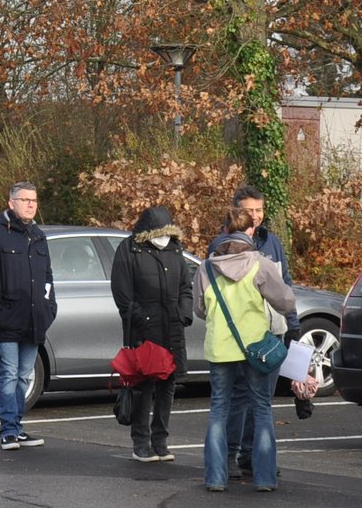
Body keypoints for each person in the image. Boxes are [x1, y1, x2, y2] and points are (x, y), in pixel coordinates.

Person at [195, 210, 297, 490]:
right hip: (255, 347)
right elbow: (285, 302)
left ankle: (215, 478)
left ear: (225, 231)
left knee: (219, 409)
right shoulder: (260, 264)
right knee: (262, 409)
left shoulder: (206, 268)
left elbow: (199, 309)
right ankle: (264, 478)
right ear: (250, 231)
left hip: (219, 348)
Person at [0, 182, 55, 450]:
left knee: (23, 376)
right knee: (7, 375)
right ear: (11, 203)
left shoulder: (38, 235)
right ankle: (7, 431)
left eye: (34, 200)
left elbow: (48, 277)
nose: (30, 204)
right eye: (24, 199)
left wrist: (49, 307)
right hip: (6, 319)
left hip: (34, 320)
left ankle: (17, 428)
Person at [111, 205, 196, 461]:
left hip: (172, 328)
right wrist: (140, 318)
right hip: (144, 330)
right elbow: (123, 294)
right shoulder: (129, 250)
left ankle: (161, 440)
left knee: (168, 384)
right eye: (159, 233)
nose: (164, 238)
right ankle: (141, 442)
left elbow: (185, 287)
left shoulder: (174, 250)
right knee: (143, 386)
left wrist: (183, 313)